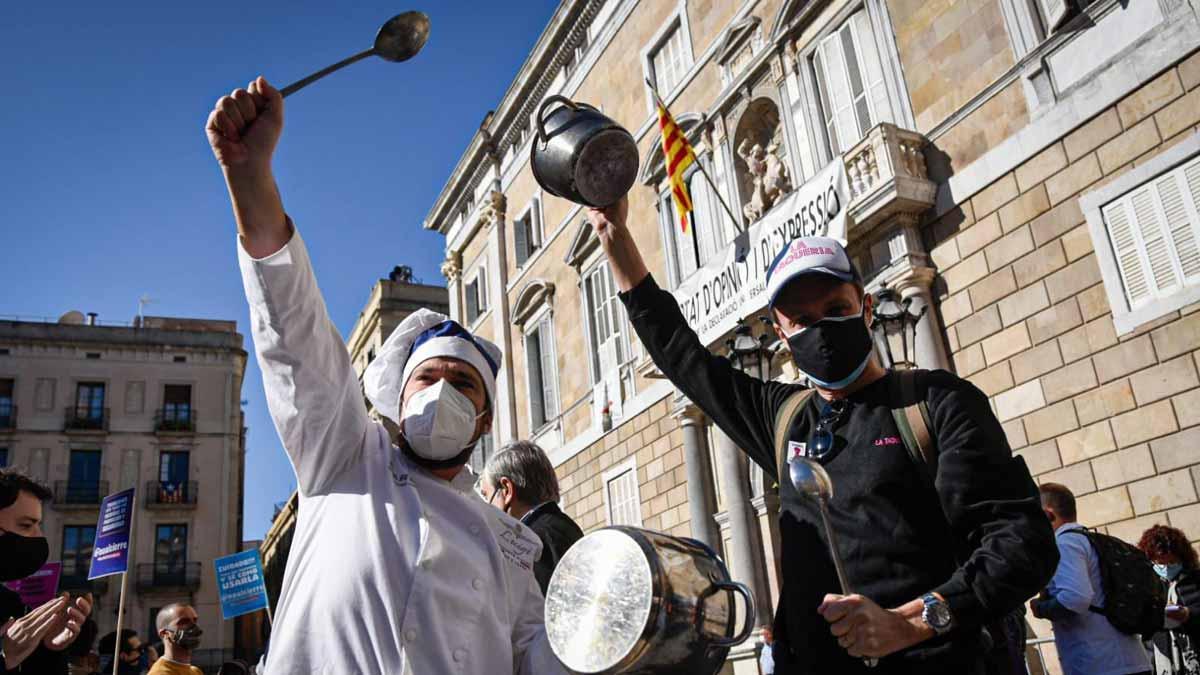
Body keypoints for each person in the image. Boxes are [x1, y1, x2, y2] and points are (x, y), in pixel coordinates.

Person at [585, 197, 1058, 673]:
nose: (822, 330)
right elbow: (681, 354)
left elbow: (1022, 541)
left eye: (836, 309)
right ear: (781, 332)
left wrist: (914, 621)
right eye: (803, 320)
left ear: (866, 308)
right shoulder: (784, 416)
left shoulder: (934, 403)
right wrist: (614, 236)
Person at [205, 77, 564, 674]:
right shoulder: (345, 458)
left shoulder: (510, 543)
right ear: (397, 398)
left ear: (486, 417)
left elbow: (538, 656)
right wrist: (250, 178)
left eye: (463, 382)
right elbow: (295, 332)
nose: (444, 390)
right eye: (428, 377)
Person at [1030, 483, 1151, 675]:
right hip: (1127, 659)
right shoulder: (1089, 539)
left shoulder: (1065, 544)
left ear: (1048, 514)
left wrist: (1040, 608)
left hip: (1100, 663)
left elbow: (1075, 598)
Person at [0, 469, 92, 674]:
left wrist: (48, 650)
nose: (38, 536)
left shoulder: (11, 604)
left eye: (38, 525)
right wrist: (6, 656)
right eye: (26, 525)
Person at [480, 441, 584, 594]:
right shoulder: (563, 526)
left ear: (506, 490)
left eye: (486, 496)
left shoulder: (529, 544)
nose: (486, 508)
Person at [1138, 524, 1200, 675]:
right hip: (1165, 660)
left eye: (1171, 563)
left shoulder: (1196, 580)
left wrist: (1188, 615)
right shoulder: (1149, 587)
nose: (1165, 568)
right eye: (1160, 563)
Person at [147, 604, 202, 675]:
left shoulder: (195, 671)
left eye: (195, 620)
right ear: (165, 633)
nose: (194, 626)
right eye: (184, 622)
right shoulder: (160, 673)